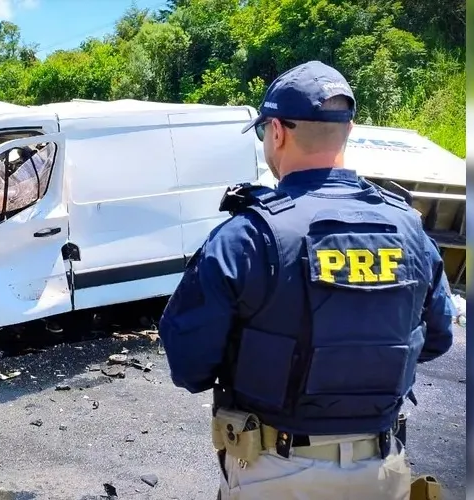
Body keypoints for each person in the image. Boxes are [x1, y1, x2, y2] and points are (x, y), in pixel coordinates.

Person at [158, 60, 456, 499]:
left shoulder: (248, 236)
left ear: (276, 131)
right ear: (348, 130)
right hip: (381, 471)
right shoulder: (408, 228)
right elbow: (437, 338)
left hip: (274, 472)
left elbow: (189, 364)